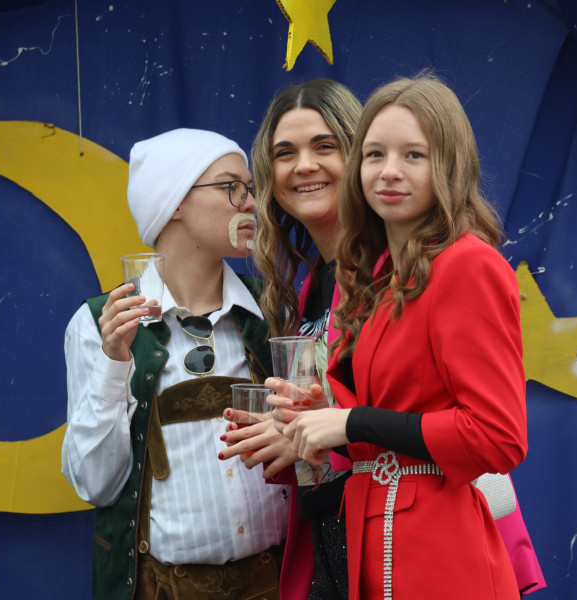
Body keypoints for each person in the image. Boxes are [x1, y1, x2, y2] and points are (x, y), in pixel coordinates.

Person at [223, 78, 545, 598]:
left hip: (433, 545)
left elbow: (496, 435)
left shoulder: (464, 264)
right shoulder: (375, 277)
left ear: (448, 165)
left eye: (413, 155)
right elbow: (388, 408)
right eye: (376, 155)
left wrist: (346, 421)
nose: (390, 171)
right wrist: (315, 418)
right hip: (366, 537)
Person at [61, 128, 290, 600]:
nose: (250, 203)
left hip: (279, 582)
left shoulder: (273, 310)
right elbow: (95, 486)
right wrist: (114, 363)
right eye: (231, 187)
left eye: (250, 189)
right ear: (174, 203)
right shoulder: (98, 325)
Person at [223, 78, 362, 600]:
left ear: (360, 155)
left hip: (390, 536)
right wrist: (281, 433)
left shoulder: (393, 271)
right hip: (326, 537)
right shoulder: (307, 286)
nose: (304, 165)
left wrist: (310, 434)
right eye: (285, 153)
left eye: (325, 146)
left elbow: (424, 414)